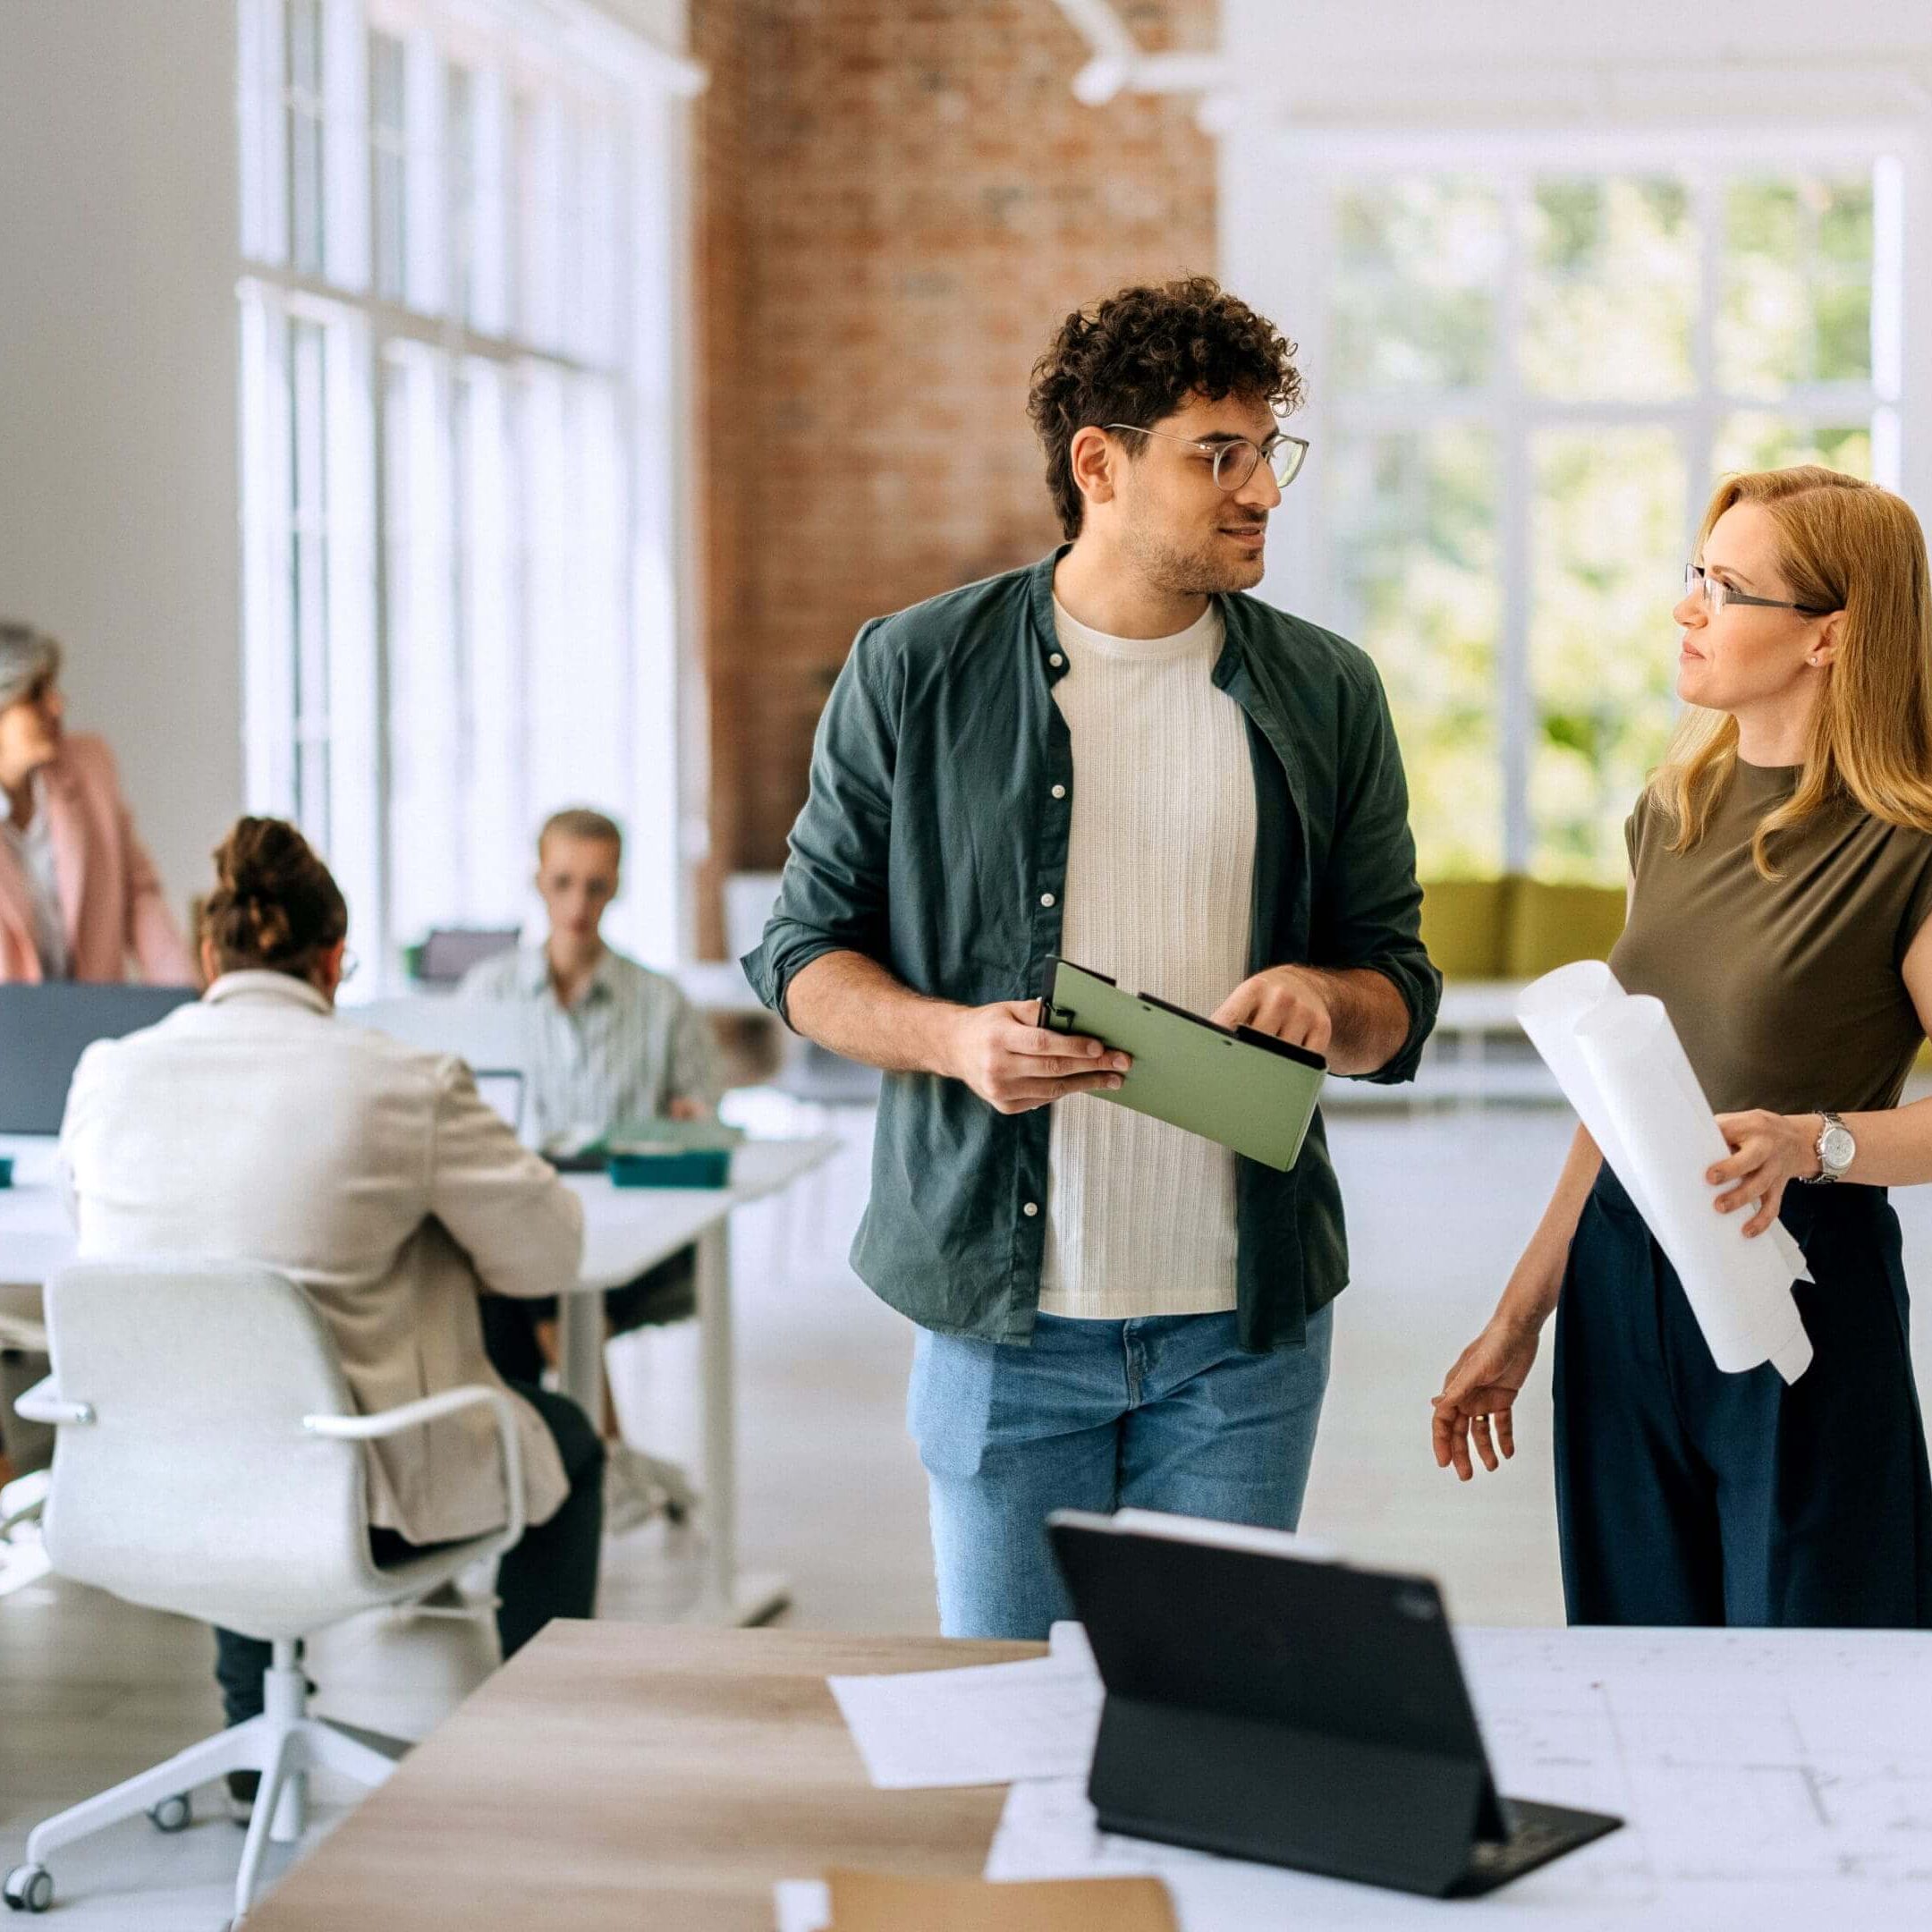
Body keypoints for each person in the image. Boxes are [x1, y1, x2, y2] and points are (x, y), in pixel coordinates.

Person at [743, 276, 1440, 1640]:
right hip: (1006, 1327)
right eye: (1217, 454)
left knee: (1208, 1736)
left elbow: (1395, 991)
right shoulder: (916, 669)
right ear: (1099, 464)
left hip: (1246, 1331)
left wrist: (1328, 999)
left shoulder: (1329, 691)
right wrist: (952, 1041)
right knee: (1015, 1727)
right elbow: (800, 951)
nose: (1262, 492)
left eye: (1267, 452)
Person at [1433, 466, 1932, 1630]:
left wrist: (1817, 1143)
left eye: (1729, 587)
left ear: (1830, 636)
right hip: (1620, 1286)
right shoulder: (1672, 813)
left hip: (1796, 1286)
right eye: (1694, 576)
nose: (1687, 609)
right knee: (1635, 1668)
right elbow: (1617, 1096)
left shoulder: (1905, 844)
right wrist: (1521, 1317)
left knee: (1817, 1679)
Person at [59, 818, 604, 1809]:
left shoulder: (107, 1076)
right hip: (343, 1507)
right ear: (336, 960)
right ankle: (541, 1754)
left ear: (205, 955)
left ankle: (247, 1741)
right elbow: (550, 1255)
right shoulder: (401, 1082)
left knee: (226, 1396)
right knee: (567, 1442)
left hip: (144, 1495)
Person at [459, 807, 722, 1526]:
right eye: (564, 883)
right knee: (521, 1278)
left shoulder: (659, 1004)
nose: (579, 906)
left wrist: (689, 1124)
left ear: (617, 889)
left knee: (521, 1288)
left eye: (597, 887)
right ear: (537, 881)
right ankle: (596, 1462)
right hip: (523, 1224)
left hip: (635, 1238)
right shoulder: (486, 996)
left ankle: (566, 1472)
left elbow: (706, 1117)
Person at [0, 620, 192, 984]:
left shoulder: (90, 768)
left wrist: (187, 999)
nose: (57, 705)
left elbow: (140, 897)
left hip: (93, 1017)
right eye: (36, 693)